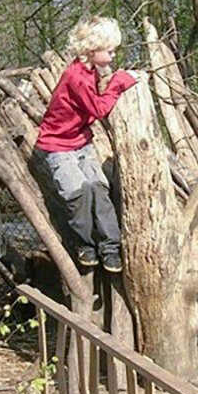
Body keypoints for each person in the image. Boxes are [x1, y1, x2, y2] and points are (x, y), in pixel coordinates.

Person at [35, 15, 137, 273]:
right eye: (110, 51)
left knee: (98, 189)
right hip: (59, 147)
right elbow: (100, 108)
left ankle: (110, 247)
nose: (113, 56)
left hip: (81, 143)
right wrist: (119, 83)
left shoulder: (89, 71)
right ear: (92, 50)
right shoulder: (77, 77)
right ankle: (86, 245)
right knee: (77, 193)